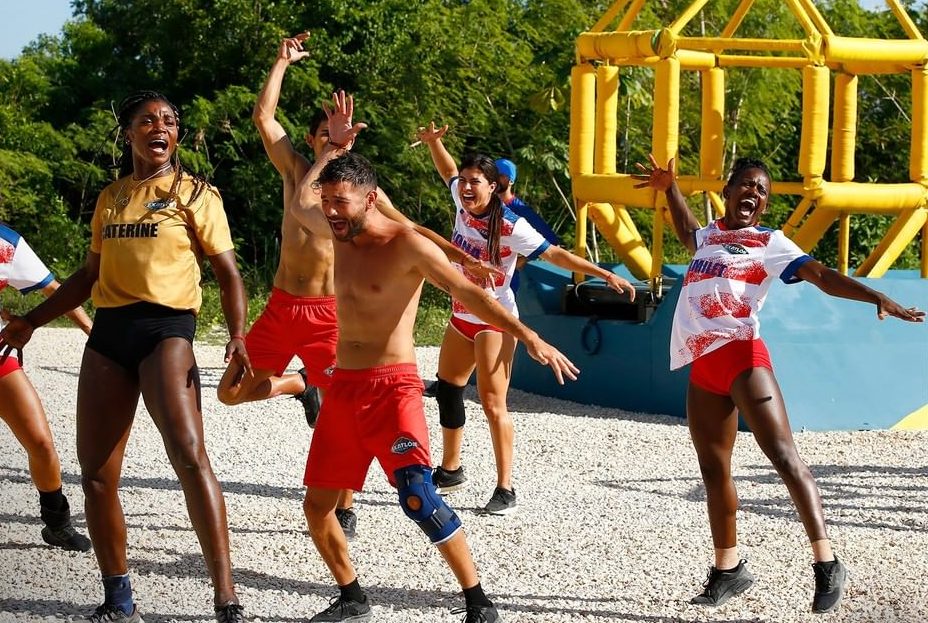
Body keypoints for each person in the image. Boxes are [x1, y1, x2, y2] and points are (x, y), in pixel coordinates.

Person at [291, 100, 578, 623]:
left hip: (392, 386)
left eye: (340, 202)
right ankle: (353, 598)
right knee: (317, 507)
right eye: (327, 202)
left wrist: (527, 335)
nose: (330, 211)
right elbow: (298, 205)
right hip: (344, 387)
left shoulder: (407, 245)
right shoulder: (336, 233)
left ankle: (478, 601)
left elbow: (471, 294)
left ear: (370, 199)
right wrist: (331, 149)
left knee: (418, 497)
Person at [0, 91, 254, 623]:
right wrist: (31, 321)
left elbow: (229, 273)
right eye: (147, 120)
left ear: (176, 134)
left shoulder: (197, 194)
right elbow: (88, 277)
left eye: (169, 121)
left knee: (189, 455)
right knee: (95, 474)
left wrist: (238, 333)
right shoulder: (111, 196)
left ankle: (226, 597)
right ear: (129, 133)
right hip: (110, 333)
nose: (160, 127)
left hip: (167, 329)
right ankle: (119, 600)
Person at [632, 154, 925, 613]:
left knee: (784, 456)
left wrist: (875, 295)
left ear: (764, 204)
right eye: (747, 184)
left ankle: (827, 562)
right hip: (703, 365)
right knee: (714, 471)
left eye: (762, 190)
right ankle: (728, 569)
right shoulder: (709, 236)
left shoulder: (769, 242)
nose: (754, 193)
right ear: (728, 191)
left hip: (743, 356)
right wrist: (670, 188)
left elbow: (821, 276)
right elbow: (688, 231)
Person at [415, 122, 634, 515]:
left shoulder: (511, 226)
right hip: (461, 315)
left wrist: (602, 273)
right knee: (447, 389)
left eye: (475, 182)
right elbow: (447, 171)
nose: (466, 187)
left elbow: (555, 254)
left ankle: (505, 488)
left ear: (493, 187)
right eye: (465, 181)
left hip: (495, 320)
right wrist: (435, 143)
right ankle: (450, 470)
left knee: (492, 402)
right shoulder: (462, 203)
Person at [214, 32, 359, 539]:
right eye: (323, 136)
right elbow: (263, 118)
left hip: (327, 316)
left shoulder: (356, 191)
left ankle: (344, 505)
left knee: (343, 415)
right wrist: (281, 62)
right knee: (231, 393)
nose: (330, 143)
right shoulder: (295, 170)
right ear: (313, 139)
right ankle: (299, 385)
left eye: (339, 138)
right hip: (281, 308)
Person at [0, 223, 92, 553]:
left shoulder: (6, 243)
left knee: (40, 442)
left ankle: (57, 524)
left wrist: (92, 331)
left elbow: (56, 290)